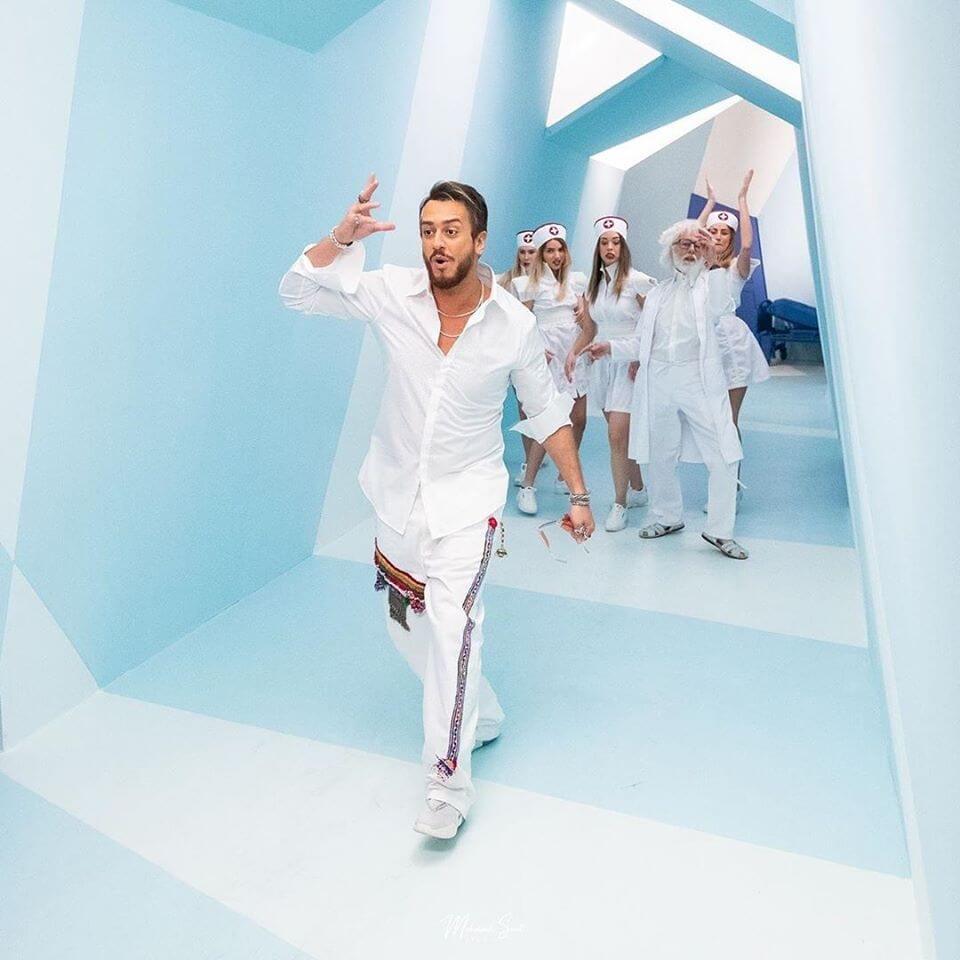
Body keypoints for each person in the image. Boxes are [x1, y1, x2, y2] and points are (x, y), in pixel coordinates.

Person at [279, 176, 595, 840]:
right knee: (406, 628)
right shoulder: (392, 293)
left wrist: (578, 494)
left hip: (468, 503)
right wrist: (341, 239)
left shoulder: (513, 325)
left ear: (479, 240)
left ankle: (448, 786)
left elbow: (546, 411)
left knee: (454, 628)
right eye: (428, 231)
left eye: (451, 231)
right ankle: (481, 713)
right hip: (396, 496)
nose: (437, 244)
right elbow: (298, 292)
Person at [580, 219, 749, 559]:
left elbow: (724, 304)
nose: (690, 250)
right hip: (658, 378)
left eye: (697, 245)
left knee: (724, 452)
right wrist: (610, 347)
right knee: (660, 451)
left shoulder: (710, 288)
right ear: (670, 251)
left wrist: (714, 261)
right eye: (683, 244)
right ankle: (667, 516)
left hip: (697, 379)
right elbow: (643, 341)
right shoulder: (657, 293)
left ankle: (720, 531)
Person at [571, 216, 655, 532]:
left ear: (624, 246)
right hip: (602, 365)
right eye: (604, 242)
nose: (610, 248)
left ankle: (620, 503)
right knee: (620, 435)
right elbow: (590, 328)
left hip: (629, 363)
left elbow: (654, 325)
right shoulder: (593, 286)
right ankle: (638, 489)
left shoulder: (638, 282)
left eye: (615, 242)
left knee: (617, 435)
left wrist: (641, 358)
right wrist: (573, 354)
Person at [513, 223, 593, 516]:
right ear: (541, 254)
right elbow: (520, 325)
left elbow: (587, 325)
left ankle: (564, 476)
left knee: (579, 419)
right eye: (550, 250)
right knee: (549, 421)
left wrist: (576, 351)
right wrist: (535, 348)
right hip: (546, 357)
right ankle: (528, 486)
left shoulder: (577, 282)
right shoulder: (528, 285)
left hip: (573, 354)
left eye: (560, 250)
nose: (556, 255)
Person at [697, 172, 769, 428]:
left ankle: (732, 456)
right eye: (712, 231)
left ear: (731, 238)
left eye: (724, 233)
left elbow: (747, 244)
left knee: (729, 419)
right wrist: (710, 203)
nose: (717, 236)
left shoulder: (737, 267)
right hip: (703, 339)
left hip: (732, 341)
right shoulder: (697, 268)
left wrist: (742, 199)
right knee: (708, 420)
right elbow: (693, 234)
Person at [499, 229, 541, 485]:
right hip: (518, 351)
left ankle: (539, 455)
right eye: (523, 252)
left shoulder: (548, 282)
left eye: (531, 252)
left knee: (543, 409)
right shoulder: (506, 281)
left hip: (545, 352)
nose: (526, 257)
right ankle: (529, 459)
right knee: (525, 409)